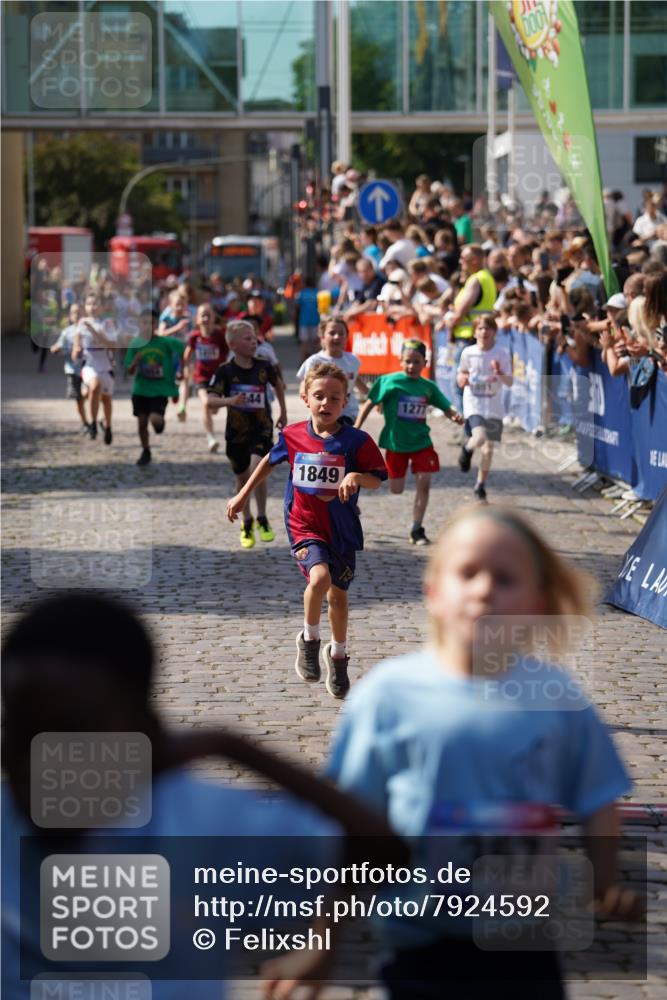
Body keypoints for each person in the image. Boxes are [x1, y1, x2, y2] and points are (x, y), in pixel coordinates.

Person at [1, 593, 406, 1000]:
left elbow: (385, 855)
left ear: (145, 730)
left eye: (76, 736)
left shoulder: (204, 821)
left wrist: (231, 747)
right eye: (23, 733)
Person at [325, 506, 636, 1000]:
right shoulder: (389, 695)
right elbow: (351, 825)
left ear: (537, 603)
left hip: (524, 952)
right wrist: (322, 939)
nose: (485, 589)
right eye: (468, 573)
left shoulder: (559, 699)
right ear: (433, 593)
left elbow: (600, 798)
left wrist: (604, 882)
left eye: (506, 578)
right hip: (419, 951)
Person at [226, 362, 387, 699]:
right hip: (303, 523)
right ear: (305, 398)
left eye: (334, 397)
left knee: (339, 598)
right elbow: (270, 460)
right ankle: (310, 640)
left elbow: (377, 476)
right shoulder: (294, 435)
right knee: (319, 579)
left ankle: (339, 656)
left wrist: (356, 477)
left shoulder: (357, 441)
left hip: (341, 528)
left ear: (345, 403)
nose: (326, 403)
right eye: (319, 396)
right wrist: (242, 495)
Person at [355, 339, 463, 546]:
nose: (411, 366)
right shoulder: (389, 382)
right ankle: (355, 493)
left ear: (425, 363)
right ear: (400, 361)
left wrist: (454, 416)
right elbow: (369, 403)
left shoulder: (428, 387)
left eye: (416, 361)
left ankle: (417, 528)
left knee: (424, 483)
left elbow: (445, 406)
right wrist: (356, 429)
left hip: (422, 442)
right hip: (397, 444)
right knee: (396, 489)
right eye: (407, 361)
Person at [208, 320, 287, 549]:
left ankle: (262, 517)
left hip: (262, 428)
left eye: (254, 338)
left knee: (257, 470)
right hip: (236, 434)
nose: (253, 342)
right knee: (242, 478)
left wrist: (283, 411)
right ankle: (247, 521)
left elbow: (278, 385)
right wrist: (230, 401)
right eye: (247, 339)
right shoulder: (225, 371)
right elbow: (210, 399)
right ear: (232, 344)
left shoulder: (264, 366)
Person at [457, 314, 513, 502]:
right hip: (474, 402)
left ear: (494, 332)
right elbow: (461, 374)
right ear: (474, 332)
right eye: (480, 328)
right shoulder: (468, 352)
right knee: (479, 437)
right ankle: (467, 450)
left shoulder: (502, 353)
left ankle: (480, 484)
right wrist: (462, 379)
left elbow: (510, 381)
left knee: (488, 450)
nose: (484, 332)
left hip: (494, 405)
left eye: (488, 328)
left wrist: (499, 372)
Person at [125, 306, 185, 467]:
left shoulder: (165, 342)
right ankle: (146, 450)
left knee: (155, 420)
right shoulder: (135, 343)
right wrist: (135, 363)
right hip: (141, 389)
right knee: (141, 422)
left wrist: (181, 370)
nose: (147, 326)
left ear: (156, 325)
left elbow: (185, 350)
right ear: (139, 325)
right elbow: (129, 371)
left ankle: (160, 424)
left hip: (160, 390)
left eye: (151, 323)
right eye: (144, 323)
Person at [296, 317, 367, 425]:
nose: (337, 337)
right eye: (332, 333)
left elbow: (356, 380)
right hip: (322, 411)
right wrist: (306, 396)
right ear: (322, 337)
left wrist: (374, 398)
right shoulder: (314, 361)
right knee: (321, 440)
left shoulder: (353, 360)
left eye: (341, 333)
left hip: (347, 413)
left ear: (347, 337)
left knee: (340, 437)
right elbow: (304, 384)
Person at [183, 303, 229, 453]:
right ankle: (211, 437)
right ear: (197, 319)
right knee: (206, 404)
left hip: (218, 377)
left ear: (214, 318)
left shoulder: (220, 335)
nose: (205, 318)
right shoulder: (195, 337)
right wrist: (183, 369)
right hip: (201, 377)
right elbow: (187, 354)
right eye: (202, 315)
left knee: (213, 408)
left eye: (209, 315)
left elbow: (229, 352)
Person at [72, 291, 117, 444]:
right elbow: (75, 349)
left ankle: (108, 426)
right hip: (89, 366)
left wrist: (94, 331)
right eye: (89, 304)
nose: (92, 307)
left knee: (106, 400)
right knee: (95, 386)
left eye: (96, 304)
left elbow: (112, 345)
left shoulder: (108, 323)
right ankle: (93, 424)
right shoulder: (82, 323)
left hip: (106, 366)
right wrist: (76, 351)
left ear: (103, 307)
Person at [49, 302, 89, 433]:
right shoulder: (67, 332)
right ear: (70, 316)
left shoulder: (89, 330)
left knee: (88, 392)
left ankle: (93, 417)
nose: (76, 315)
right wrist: (55, 349)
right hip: (72, 370)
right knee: (78, 399)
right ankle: (85, 422)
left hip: (87, 368)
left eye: (79, 312)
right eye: (73, 312)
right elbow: (58, 345)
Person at [159, 289, 194, 421]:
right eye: (177, 304)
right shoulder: (166, 318)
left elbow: (191, 337)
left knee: (185, 379)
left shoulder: (187, 319)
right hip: (167, 356)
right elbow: (160, 334)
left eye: (182, 304)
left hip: (182, 355)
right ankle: (170, 398)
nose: (179, 307)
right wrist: (177, 327)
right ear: (171, 304)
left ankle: (182, 408)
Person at [295, 276, 322, 361]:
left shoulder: (301, 294)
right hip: (316, 320)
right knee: (316, 342)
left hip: (304, 321)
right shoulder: (318, 293)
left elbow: (297, 307)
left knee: (304, 343)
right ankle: (317, 361)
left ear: (305, 284)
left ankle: (303, 361)